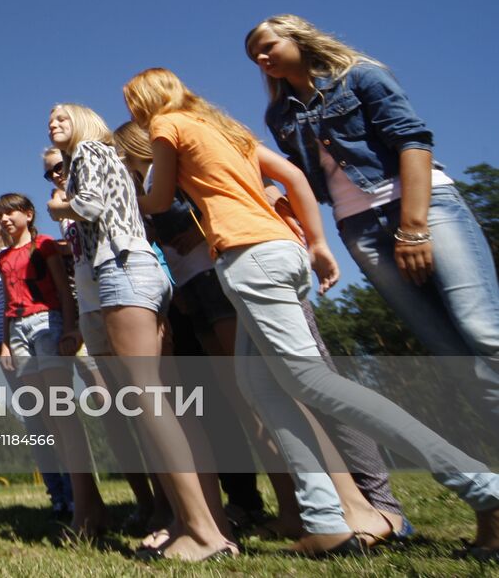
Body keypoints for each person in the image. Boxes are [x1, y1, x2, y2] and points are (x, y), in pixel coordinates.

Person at [124, 66, 499, 559]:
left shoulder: (165, 127)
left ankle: (481, 486)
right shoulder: (224, 129)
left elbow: (158, 197)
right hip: (280, 249)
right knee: (261, 386)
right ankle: (324, 519)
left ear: (144, 102)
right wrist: (318, 243)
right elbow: (293, 176)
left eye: (132, 103)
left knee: (314, 382)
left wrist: (122, 195)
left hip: (248, 256)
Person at [112, 121, 412, 541]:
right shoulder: (151, 179)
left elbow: (236, 196)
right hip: (195, 286)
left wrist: (193, 229)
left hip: (231, 273)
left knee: (289, 388)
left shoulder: (179, 164)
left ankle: (364, 504)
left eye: (120, 151)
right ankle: (302, 507)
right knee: (248, 397)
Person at [245, 14, 499, 423]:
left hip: (424, 207)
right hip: (359, 229)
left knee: (483, 331)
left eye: (267, 45)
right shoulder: (280, 116)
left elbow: (413, 142)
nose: (260, 57)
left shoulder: (359, 76)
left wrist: (413, 229)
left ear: (298, 37)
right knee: (450, 353)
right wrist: (271, 191)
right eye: (254, 55)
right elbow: (306, 175)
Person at [46, 104, 236, 562]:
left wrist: (59, 207)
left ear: (85, 120)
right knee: (167, 403)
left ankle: (202, 532)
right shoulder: (99, 159)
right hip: (129, 273)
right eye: (48, 120)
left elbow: (88, 206)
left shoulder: (90, 151)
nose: (52, 123)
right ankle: (203, 522)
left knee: (148, 401)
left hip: (122, 271)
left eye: (61, 116)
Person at [0, 193, 106, 537]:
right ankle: (84, 501)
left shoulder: (43, 246)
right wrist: (5, 343)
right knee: (45, 416)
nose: (6, 219)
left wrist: (71, 328)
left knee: (62, 413)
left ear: (28, 214)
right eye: (1, 214)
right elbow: (10, 304)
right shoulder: (2, 258)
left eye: (12, 212)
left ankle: (88, 506)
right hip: (19, 334)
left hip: (48, 322)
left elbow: (61, 289)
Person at [0, 200, 74, 517]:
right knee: (35, 418)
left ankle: (75, 490)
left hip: (44, 326)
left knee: (58, 411)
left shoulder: (34, 246)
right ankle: (56, 492)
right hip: (9, 340)